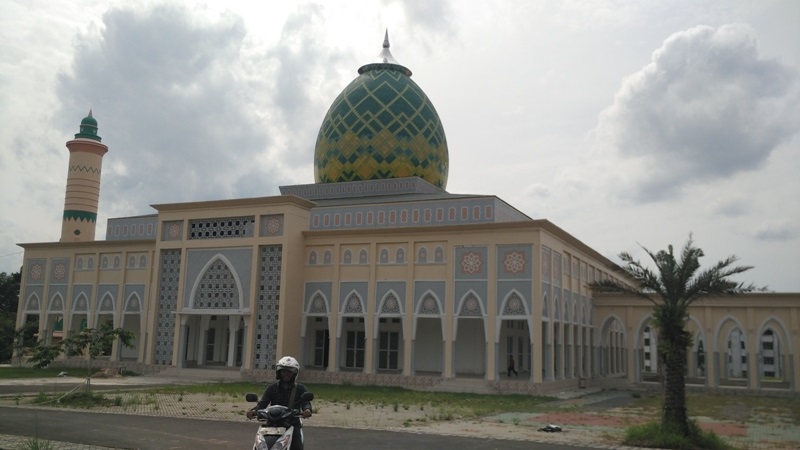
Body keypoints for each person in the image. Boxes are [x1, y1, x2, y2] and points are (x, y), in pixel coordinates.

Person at [247, 356, 313, 450]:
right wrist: (254, 411)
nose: (286, 374)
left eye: (289, 372)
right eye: (284, 371)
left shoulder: (300, 389)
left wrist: (307, 410)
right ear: (279, 372)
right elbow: (262, 403)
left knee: (297, 446)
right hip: (272, 423)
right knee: (259, 446)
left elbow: (305, 402)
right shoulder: (272, 388)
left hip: (292, 423)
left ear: (294, 373)